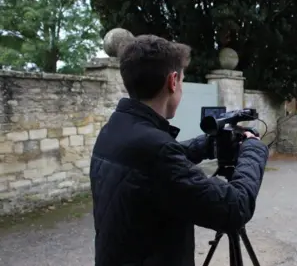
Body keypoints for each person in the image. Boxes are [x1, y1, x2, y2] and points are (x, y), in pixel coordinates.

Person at [89, 34, 269, 265]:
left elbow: (153, 168)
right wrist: (253, 148)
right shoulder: (156, 149)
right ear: (173, 81)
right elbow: (234, 208)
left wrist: (208, 144)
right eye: (182, 81)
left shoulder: (115, 129)